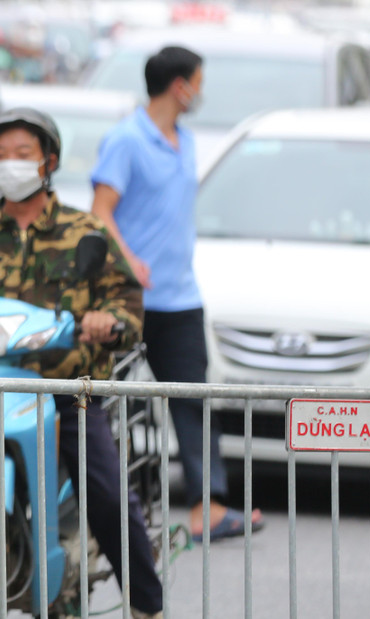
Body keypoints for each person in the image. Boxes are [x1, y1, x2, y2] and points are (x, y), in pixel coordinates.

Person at [0, 108, 163, 619]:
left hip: (66, 393)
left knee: (106, 495)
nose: (10, 163)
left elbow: (127, 303)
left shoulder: (86, 233)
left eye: (23, 154)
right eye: (1, 154)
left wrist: (108, 321)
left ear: (50, 162)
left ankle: (148, 606)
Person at [90, 45, 262, 543]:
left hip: (181, 297)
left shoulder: (185, 141)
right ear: (179, 85)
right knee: (102, 400)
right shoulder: (127, 139)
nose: (201, 93)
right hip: (129, 298)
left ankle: (209, 508)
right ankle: (96, 508)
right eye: (198, 83)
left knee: (194, 403)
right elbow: (101, 210)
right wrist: (128, 260)